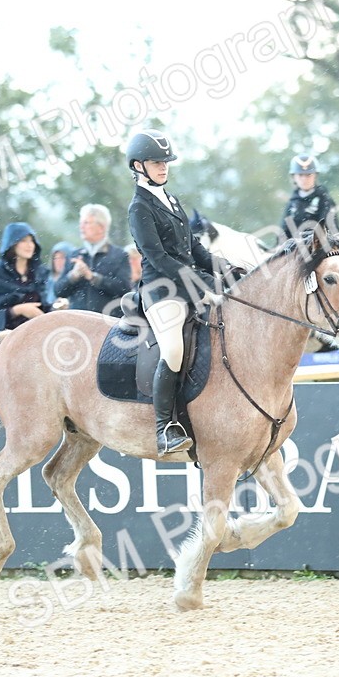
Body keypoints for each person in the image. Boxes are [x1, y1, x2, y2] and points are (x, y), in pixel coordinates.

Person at [126, 128, 221, 455]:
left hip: (189, 284)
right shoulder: (139, 208)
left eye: (165, 162)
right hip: (161, 291)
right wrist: (200, 280)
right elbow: (157, 256)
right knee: (174, 349)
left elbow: (192, 245)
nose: (163, 167)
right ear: (138, 166)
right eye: (156, 162)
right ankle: (164, 427)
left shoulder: (171, 199)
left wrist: (220, 267)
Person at [54, 204, 133, 318]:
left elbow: (125, 289)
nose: (81, 227)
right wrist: (73, 276)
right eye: (81, 223)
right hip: (78, 323)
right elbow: (58, 291)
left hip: (108, 323)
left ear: (101, 227)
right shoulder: (74, 255)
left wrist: (92, 277)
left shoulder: (119, 255)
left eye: (86, 223)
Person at [0, 222, 51, 337]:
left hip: (36, 335)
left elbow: (44, 305)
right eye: (23, 240)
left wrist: (57, 306)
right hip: (6, 338)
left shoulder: (40, 272)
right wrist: (19, 310)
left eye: (31, 240)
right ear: (12, 244)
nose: (29, 245)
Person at [277, 153, 336, 240]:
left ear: (315, 175)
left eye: (308, 175)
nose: (304, 179)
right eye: (300, 175)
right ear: (294, 177)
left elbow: (330, 229)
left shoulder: (324, 199)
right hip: (295, 249)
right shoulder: (292, 202)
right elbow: (284, 230)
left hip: (319, 247)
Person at [45, 240, 74, 307]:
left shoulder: (73, 281)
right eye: (55, 258)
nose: (58, 261)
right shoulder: (46, 280)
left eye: (62, 257)